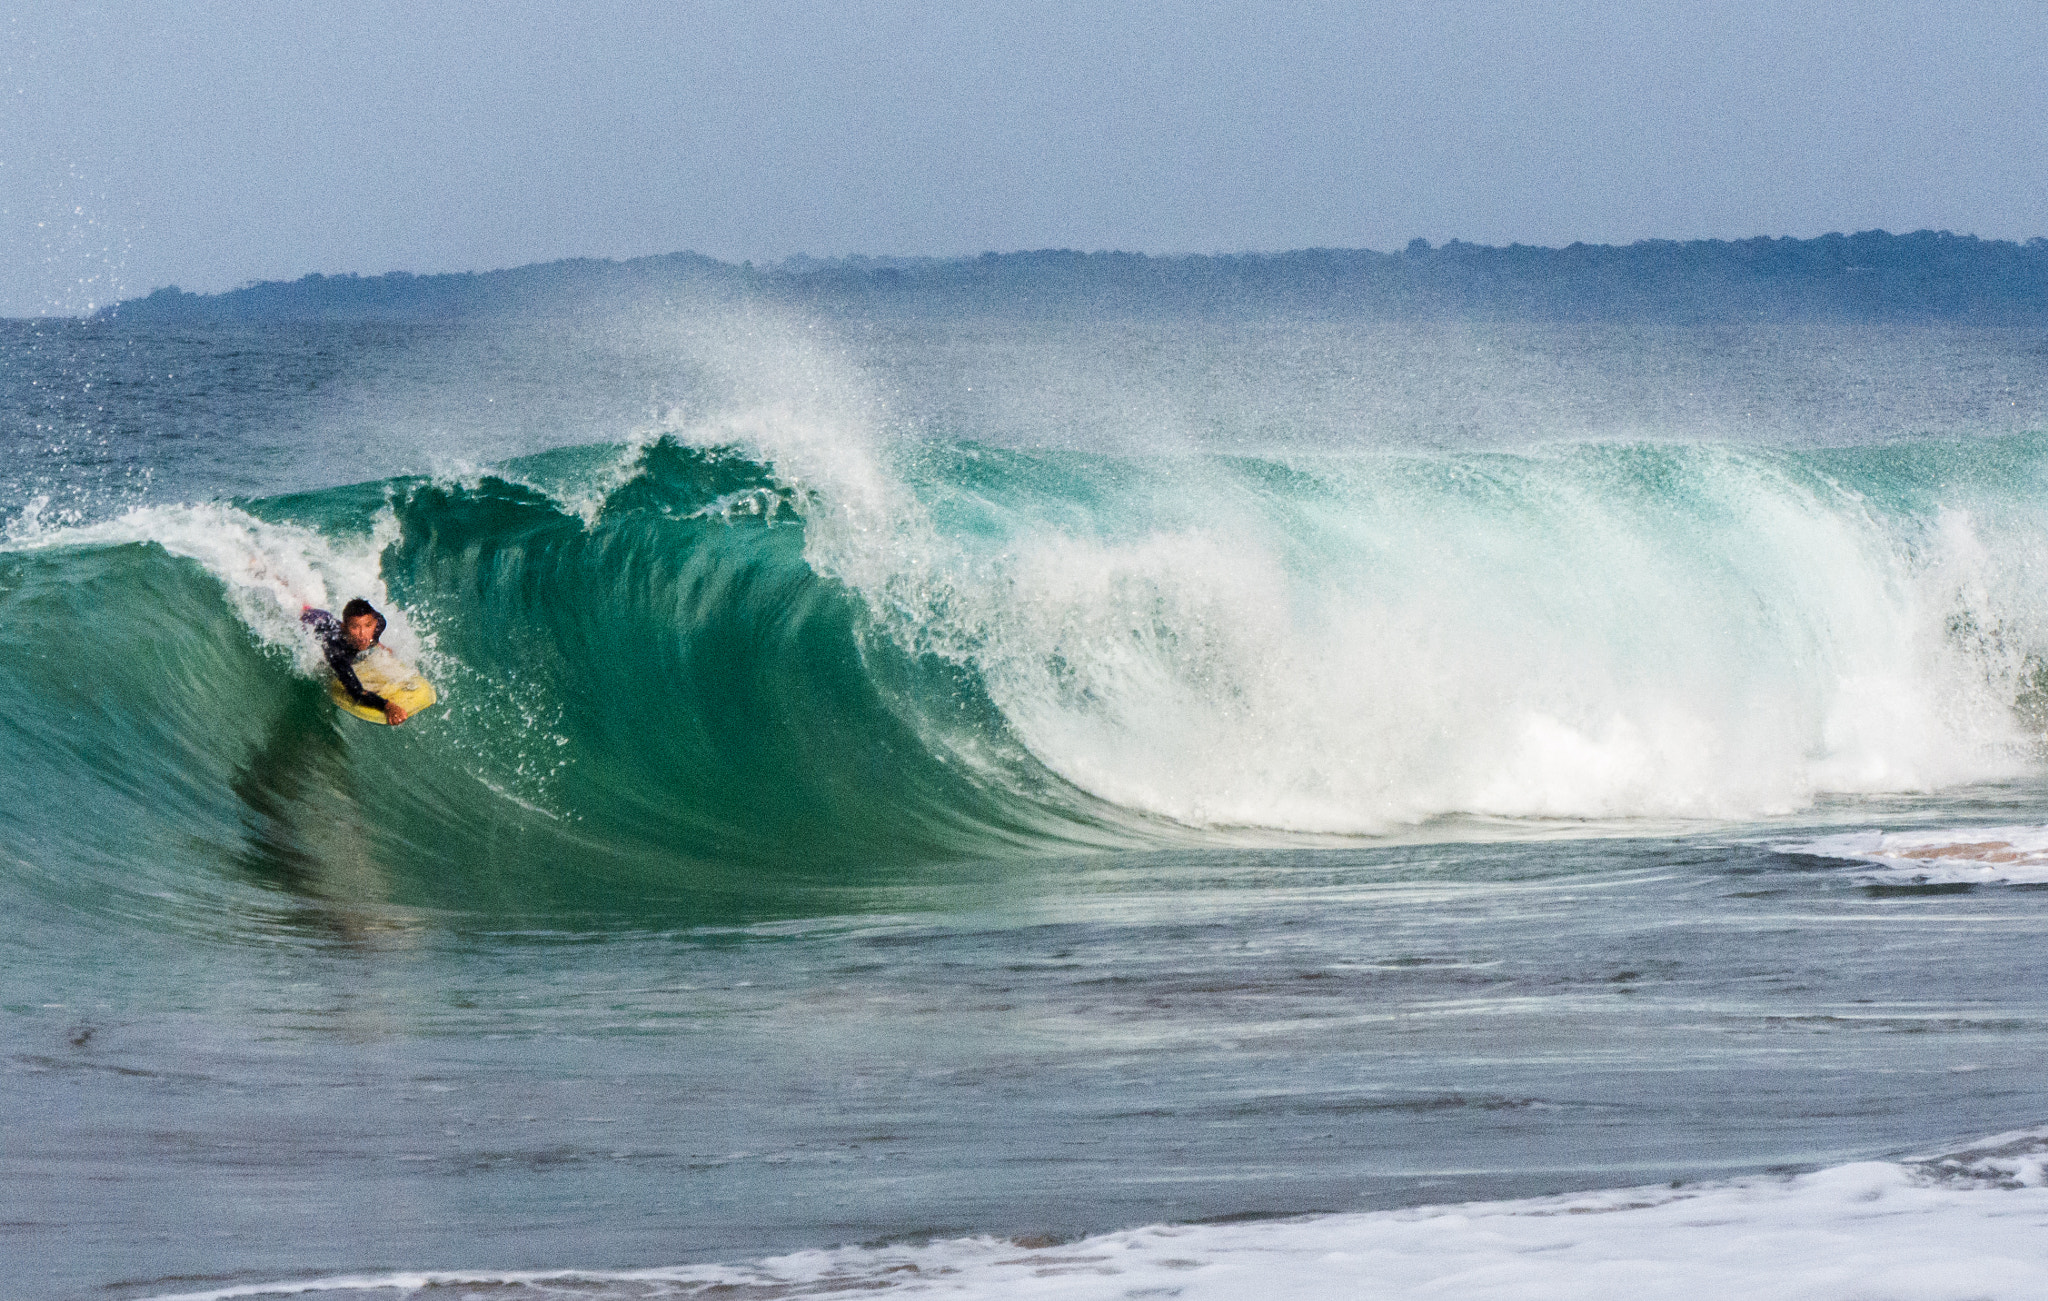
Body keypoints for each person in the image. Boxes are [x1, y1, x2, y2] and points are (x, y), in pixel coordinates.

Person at [301, 598, 409, 724]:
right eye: (354, 627)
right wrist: (387, 706)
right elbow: (356, 693)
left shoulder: (379, 623)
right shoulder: (337, 653)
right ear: (345, 628)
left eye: (368, 625)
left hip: (328, 620)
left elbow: (370, 625)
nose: (363, 634)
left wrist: (375, 643)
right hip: (311, 622)